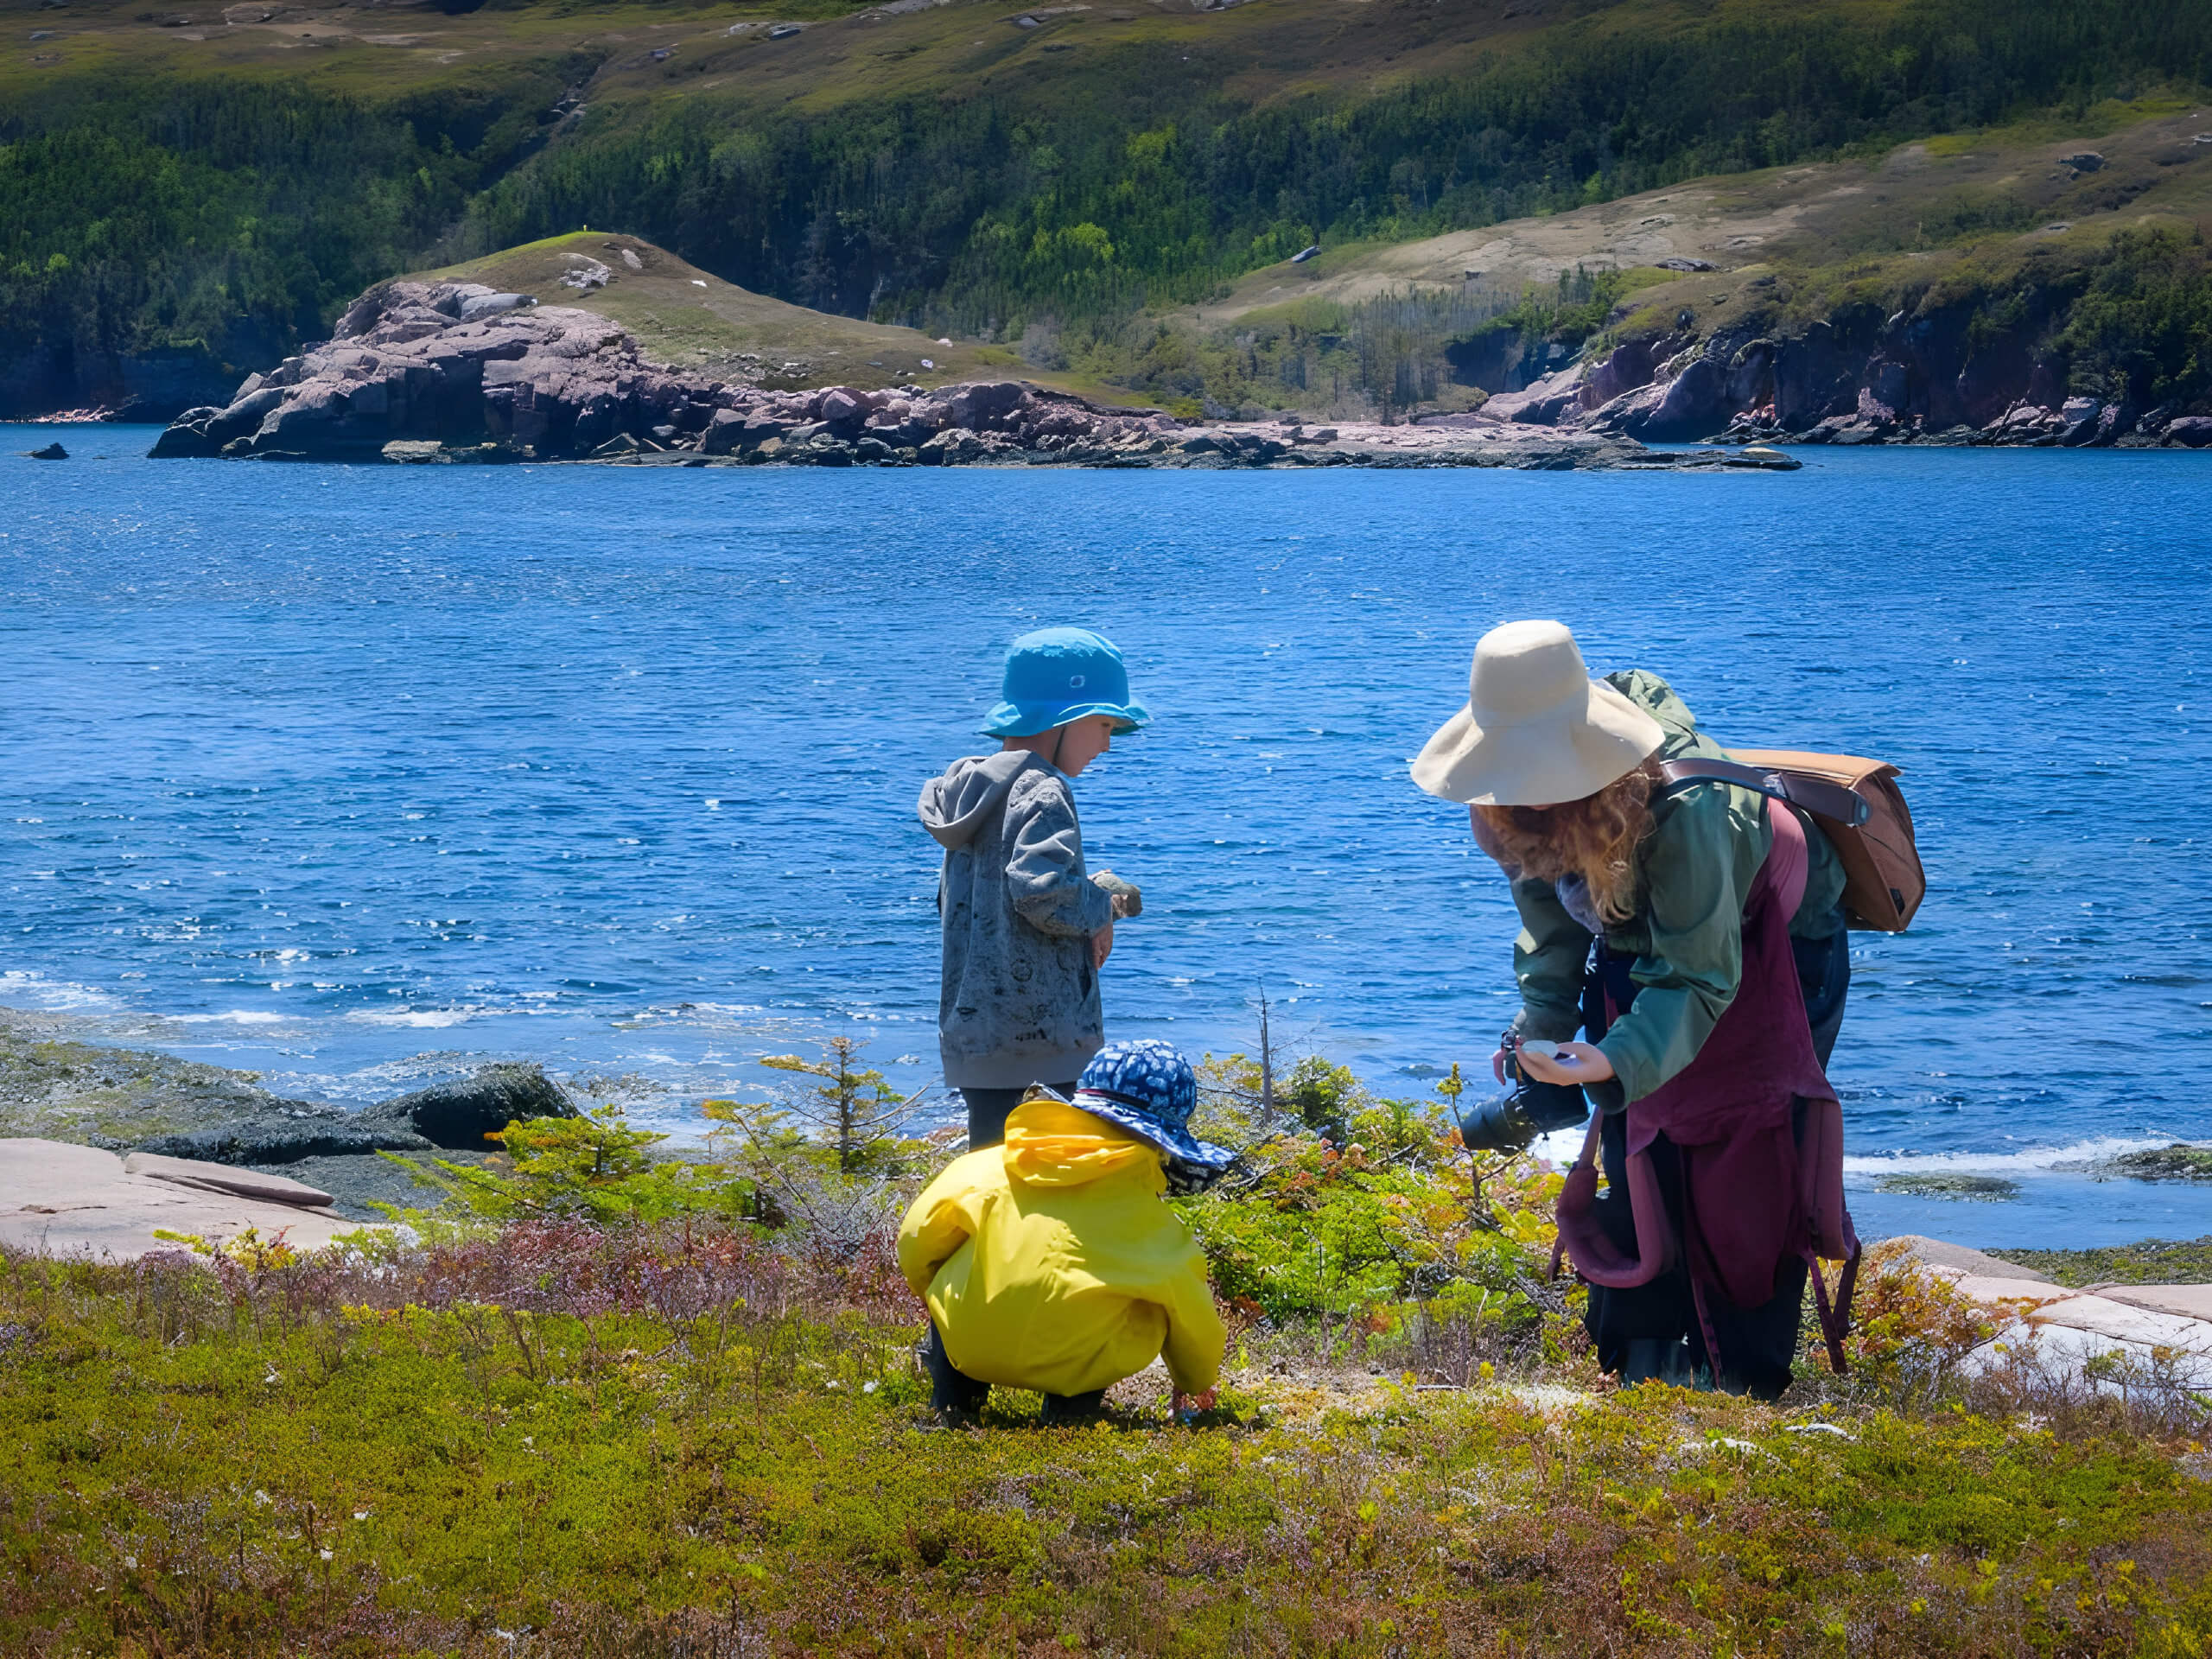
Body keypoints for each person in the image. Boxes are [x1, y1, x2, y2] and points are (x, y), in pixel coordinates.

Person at [1412, 620, 1853, 1400]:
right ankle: (1643, 1363)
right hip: (1646, 939)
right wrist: (1541, 1031)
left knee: (1746, 1155)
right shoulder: (1519, 805)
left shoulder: (1695, 811)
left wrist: (1619, 1056)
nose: (1512, 791)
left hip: (1774, 956)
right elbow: (1552, 929)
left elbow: (1698, 977)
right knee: (1635, 1150)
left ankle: (1744, 1379)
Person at [895, 1039, 1232, 1426]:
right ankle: (1069, 1416)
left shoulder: (984, 1169)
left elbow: (915, 1242)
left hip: (969, 1345)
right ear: (1159, 1141)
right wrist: (1196, 1380)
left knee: (955, 1266)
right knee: (1146, 1301)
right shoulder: (1156, 1227)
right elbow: (1193, 1318)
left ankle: (952, 1405)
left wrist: (937, 1294)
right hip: (1073, 1364)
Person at [918, 626, 1147, 1150]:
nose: (1107, 743)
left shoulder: (967, 790)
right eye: (1104, 723)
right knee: (1044, 1186)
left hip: (975, 1037)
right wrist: (1104, 906)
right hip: (1042, 1041)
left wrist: (1084, 891)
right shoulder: (1043, 788)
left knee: (989, 1184)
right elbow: (1043, 893)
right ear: (1063, 719)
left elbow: (969, 898)